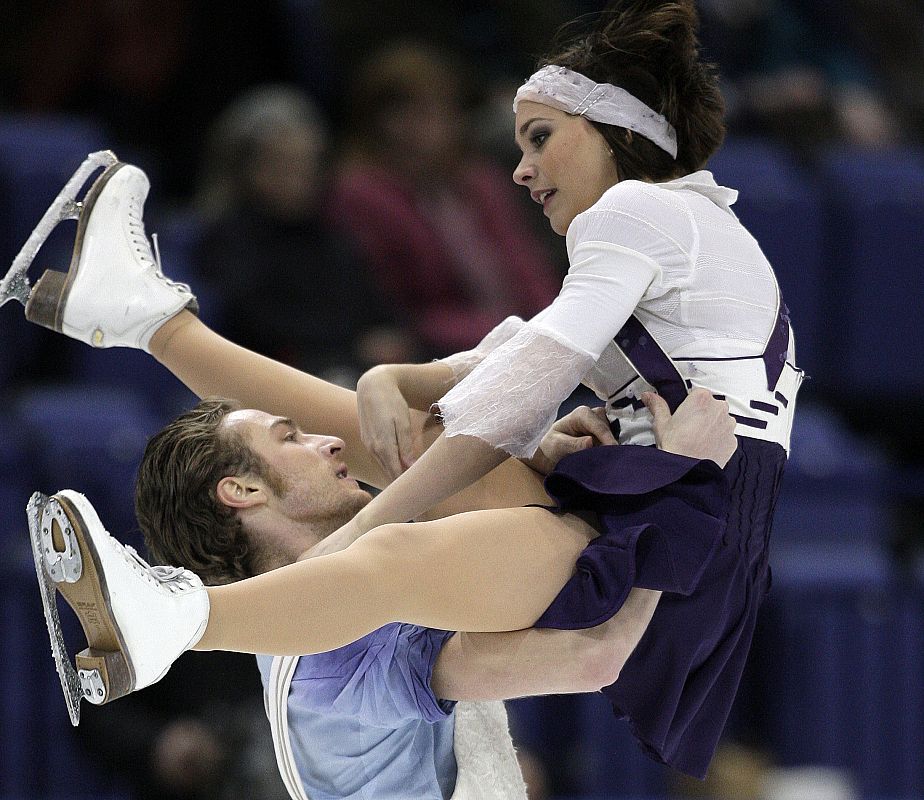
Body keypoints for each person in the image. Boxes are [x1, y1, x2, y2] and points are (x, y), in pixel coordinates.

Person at [16, 0, 797, 781]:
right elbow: (530, 367)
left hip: (682, 511)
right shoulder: (338, 650)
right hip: (687, 511)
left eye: (539, 137)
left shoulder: (643, 215)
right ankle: (173, 610)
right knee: (405, 503)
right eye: (525, 141)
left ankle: (147, 346)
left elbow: (527, 362)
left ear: (614, 132)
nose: (519, 168)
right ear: (241, 493)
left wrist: (403, 386)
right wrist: (669, 481)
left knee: (412, 482)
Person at [328, 40, 563, 356]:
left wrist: (554, 324)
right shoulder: (362, 196)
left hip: (524, 338)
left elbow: (526, 265)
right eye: (425, 112)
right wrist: (512, 335)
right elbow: (403, 313)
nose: (446, 123)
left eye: (447, 108)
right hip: (448, 356)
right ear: (387, 123)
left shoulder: (478, 180)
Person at [193, 84, 416, 385]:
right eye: (284, 164)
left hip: (358, 361)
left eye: (307, 164)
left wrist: (390, 336)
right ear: (248, 168)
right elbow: (260, 328)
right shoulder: (229, 239)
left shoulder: (328, 230)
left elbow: (375, 302)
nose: (299, 178)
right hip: (285, 374)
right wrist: (355, 347)